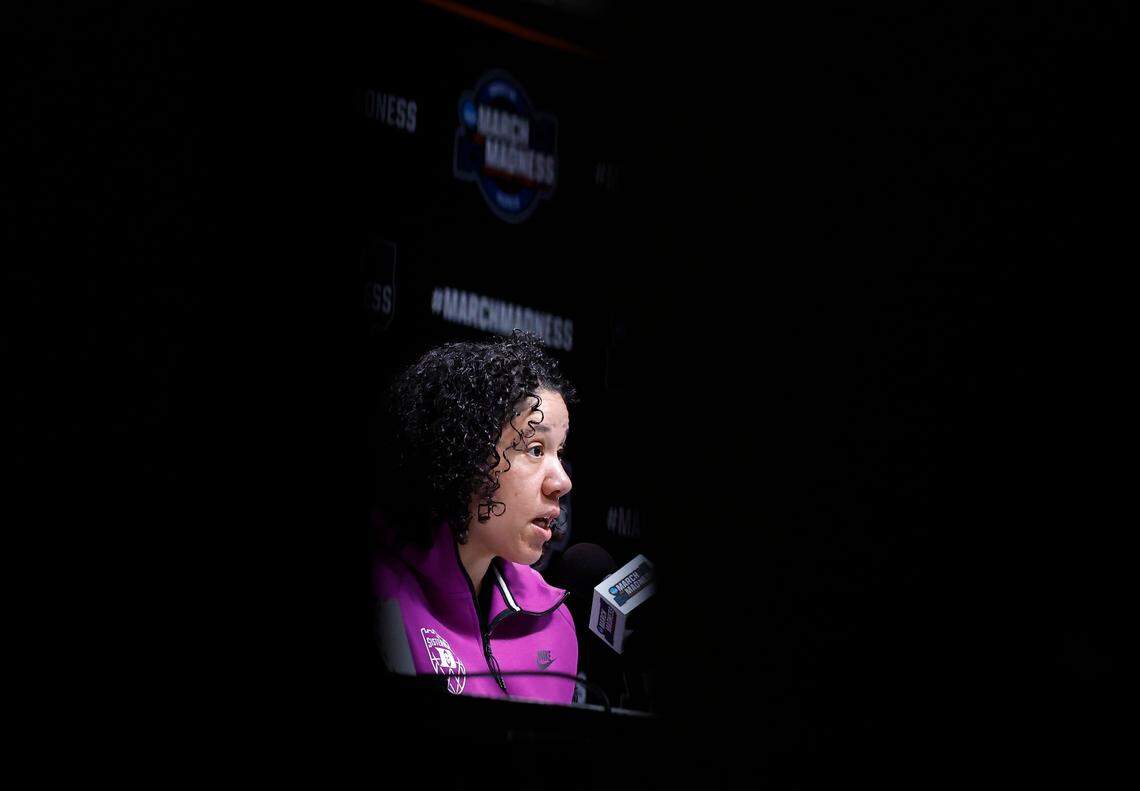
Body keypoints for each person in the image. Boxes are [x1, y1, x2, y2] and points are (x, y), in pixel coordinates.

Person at [372, 330, 578, 704]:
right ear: (463, 453)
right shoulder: (381, 596)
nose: (562, 481)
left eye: (559, 452)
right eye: (534, 448)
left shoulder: (555, 626)